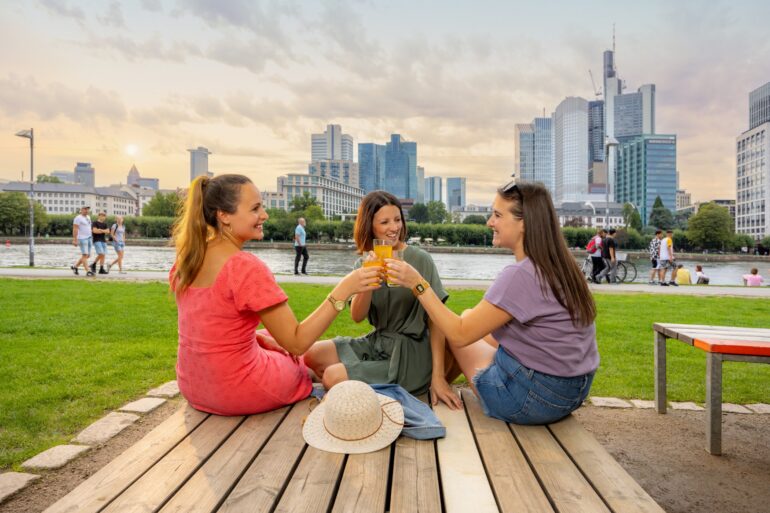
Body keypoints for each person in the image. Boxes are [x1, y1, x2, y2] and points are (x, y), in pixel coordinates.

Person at [387, 181, 599, 425]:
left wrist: (418, 284)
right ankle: (438, 380)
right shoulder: (562, 265)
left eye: (497, 215)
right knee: (470, 318)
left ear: (525, 223)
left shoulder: (521, 274)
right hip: (575, 390)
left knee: (458, 329)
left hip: (536, 399)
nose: (489, 222)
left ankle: (432, 385)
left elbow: (458, 334)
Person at [169, 174, 380, 415]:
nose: (264, 215)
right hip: (238, 391)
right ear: (223, 215)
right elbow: (298, 342)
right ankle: (316, 373)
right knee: (297, 360)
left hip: (194, 387)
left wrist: (264, 340)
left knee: (267, 334)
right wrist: (345, 288)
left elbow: (212, 326)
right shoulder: (244, 267)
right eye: (255, 208)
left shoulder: (187, 261)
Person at [303, 191, 463, 409]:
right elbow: (358, 317)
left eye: (397, 220)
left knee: (332, 377)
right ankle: (370, 378)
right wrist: (367, 283)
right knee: (312, 355)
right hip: (377, 341)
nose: (394, 227)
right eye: (385, 222)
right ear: (370, 226)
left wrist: (438, 376)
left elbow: (436, 322)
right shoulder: (363, 264)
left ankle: (379, 381)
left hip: (411, 352)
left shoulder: (420, 259)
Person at [71, 205, 94, 276]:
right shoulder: (78, 218)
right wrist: (75, 239)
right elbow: (75, 229)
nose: (86, 210)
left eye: (87, 209)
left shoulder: (88, 217)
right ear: (81, 210)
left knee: (88, 255)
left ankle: (75, 267)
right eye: (85, 209)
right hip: (82, 238)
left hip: (89, 237)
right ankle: (88, 271)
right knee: (85, 255)